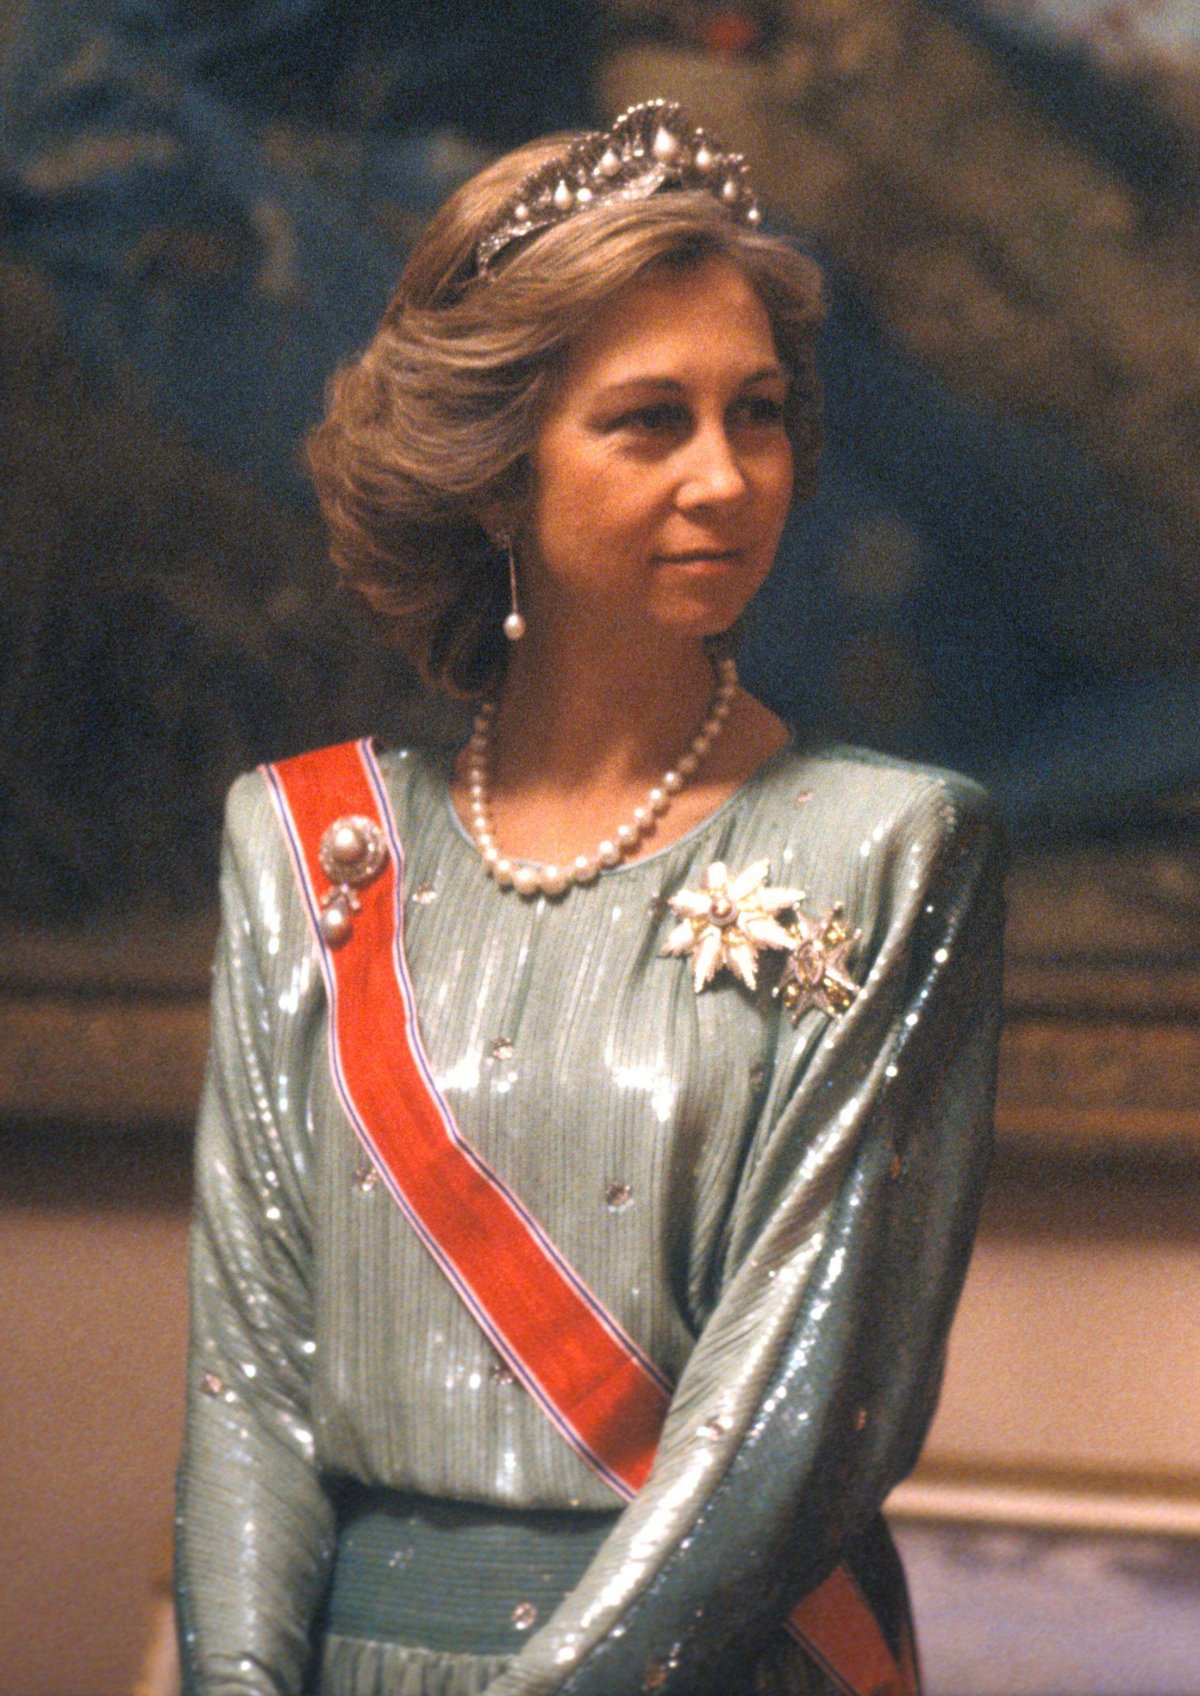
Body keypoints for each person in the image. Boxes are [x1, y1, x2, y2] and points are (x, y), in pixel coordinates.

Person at [175, 100, 1006, 1696]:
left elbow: (791, 1424)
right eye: (649, 422)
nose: (728, 476)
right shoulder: (310, 841)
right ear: (496, 472)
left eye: (755, 414)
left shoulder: (893, 848)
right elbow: (249, 1388)